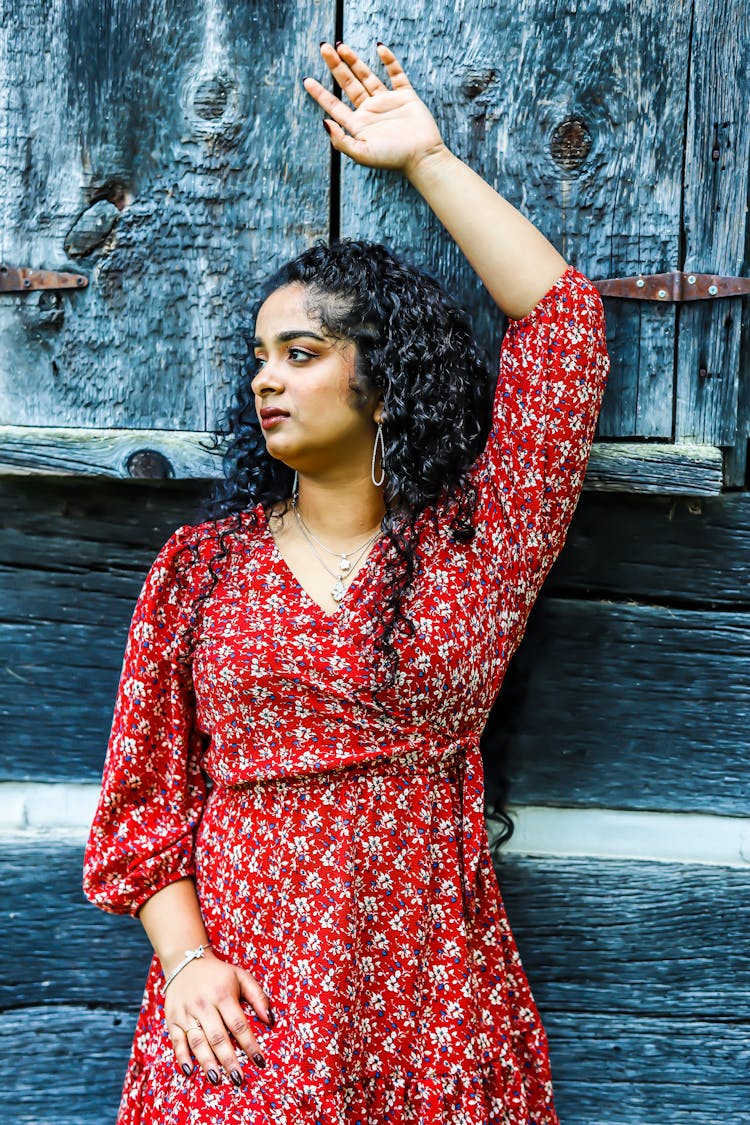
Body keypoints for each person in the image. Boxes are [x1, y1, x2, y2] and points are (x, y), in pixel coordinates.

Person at [83, 40, 609, 1125]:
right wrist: (185, 968)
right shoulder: (201, 570)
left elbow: (563, 331)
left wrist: (427, 159)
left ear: (383, 378)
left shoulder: (480, 544)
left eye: (303, 352)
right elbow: (144, 806)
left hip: (427, 985)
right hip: (242, 999)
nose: (269, 378)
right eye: (260, 358)